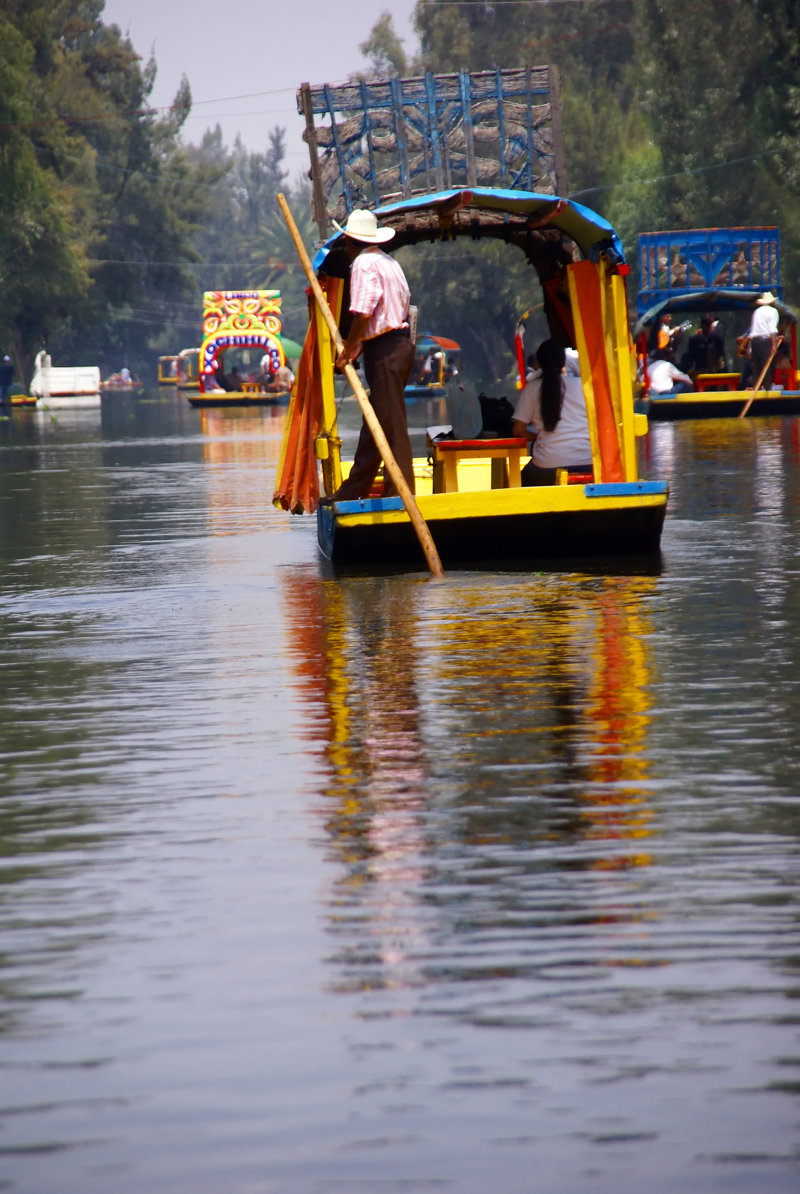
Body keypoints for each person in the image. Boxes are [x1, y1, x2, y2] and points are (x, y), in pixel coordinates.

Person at [331, 208, 416, 501]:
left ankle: (400, 494)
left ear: (350, 241)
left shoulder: (363, 264)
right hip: (396, 346)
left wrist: (347, 350)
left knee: (391, 427)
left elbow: (364, 313)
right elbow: (390, 311)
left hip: (387, 352)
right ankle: (352, 491)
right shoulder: (388, 261)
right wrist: (360, 345)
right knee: (376, 424)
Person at [511, 338, 592, 486]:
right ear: (563, 362)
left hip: (549, 464)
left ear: (539, 363)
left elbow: (518, 431)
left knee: (519, 479)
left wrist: (537, 438)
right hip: (588, 462)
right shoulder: (584, 386)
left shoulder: (532, 388)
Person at [746, 291, 780, 391]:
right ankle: (767, 388)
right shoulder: (773, 311)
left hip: (755, 341)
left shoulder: (757, 312)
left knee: (756, 368)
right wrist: (773, 345)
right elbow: (772, 329)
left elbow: (754, 330)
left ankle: (756, 388)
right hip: (766, 341)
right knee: (768, 367)